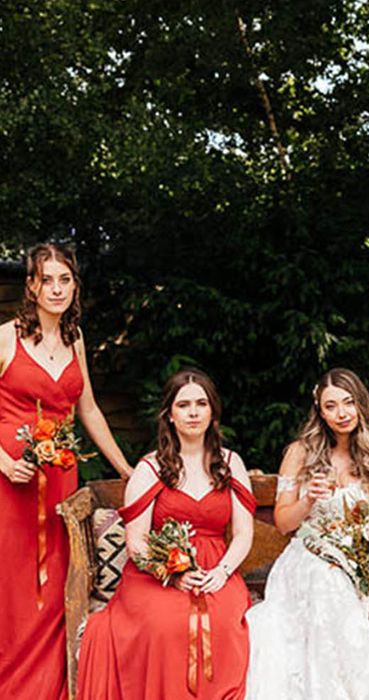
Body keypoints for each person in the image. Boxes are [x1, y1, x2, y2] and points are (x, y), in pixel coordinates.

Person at [0, 243, 133, 700]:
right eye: (47, 280)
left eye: (65, 280)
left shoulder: (75, 339)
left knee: (56, 589)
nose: (56, 289)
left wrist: (125, 468)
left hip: (60, 485)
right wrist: (3, 461)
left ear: (75, 286)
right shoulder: (5, 337)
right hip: (9, 485)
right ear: (31, 286)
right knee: (13, 592)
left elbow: (90, 410)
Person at [76, 368, 256, 699]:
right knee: (165, 625)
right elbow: (137, 542)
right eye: (184, 405)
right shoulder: (150, 468)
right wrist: (172, 576)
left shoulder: (231, 463)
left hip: (217, 568)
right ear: (170, 415)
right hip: (156, 574)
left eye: (201, 404)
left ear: (212, 412)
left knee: (225, 624)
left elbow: (244, 533)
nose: (193, 412)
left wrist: (222, 572)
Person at [245, 368, 369, 700]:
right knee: (327, 582)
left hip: (356, 563)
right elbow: (283, 522)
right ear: (320, 412)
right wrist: (309, 499)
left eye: (349, 403)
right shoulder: (301, 453)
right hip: (308, 557)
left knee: (339, 586)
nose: (342, 413)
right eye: (331, 406)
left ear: (360, 405)